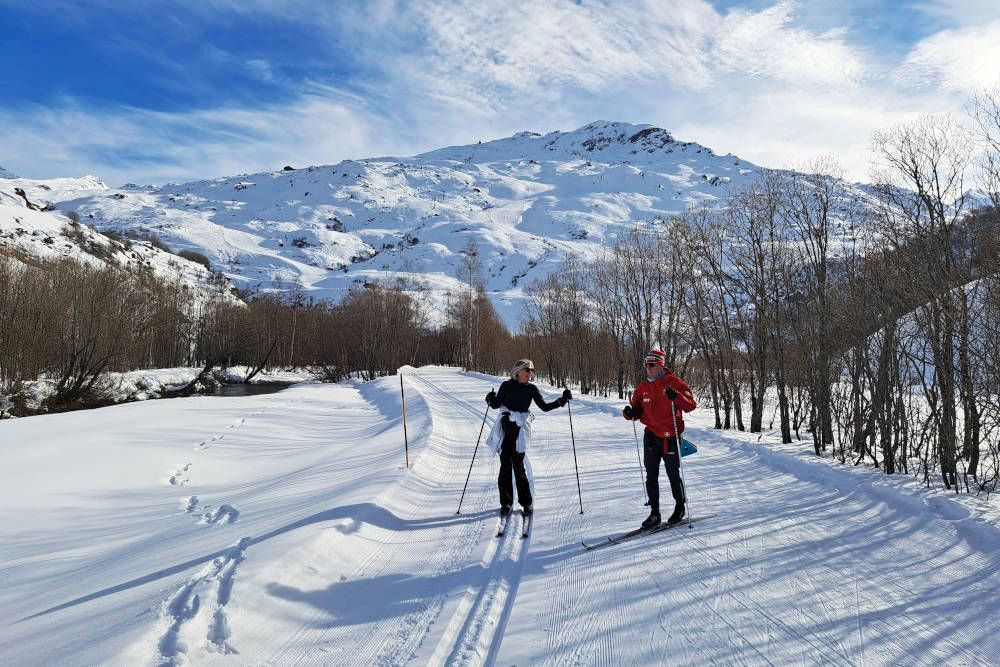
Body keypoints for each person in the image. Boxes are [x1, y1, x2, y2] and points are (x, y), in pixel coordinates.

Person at [485, 359, 571, 517]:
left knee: (518, 467)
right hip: (506, 429)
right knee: (505, 466)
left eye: (532, 371)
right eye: (528, 370)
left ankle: (526, 503)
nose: (531, 374)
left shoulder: (531, 389)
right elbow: (496, 404)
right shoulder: (506, 385)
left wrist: (562, 400)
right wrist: (490, 398)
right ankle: (506, 503)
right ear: (518, 371)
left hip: (520, 431)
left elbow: (544, 407)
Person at [622, 349, 697, 528]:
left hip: (670, 436)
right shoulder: (642, 388)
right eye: (646, 365)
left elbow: (690, 406)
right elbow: (637, 411)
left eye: (651, 365)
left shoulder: (675, 383)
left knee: (672, 474)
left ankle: (679, 507)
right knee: (651, 475)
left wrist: (676, 396)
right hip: (651, 436)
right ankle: (654, 513)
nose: (648, 368)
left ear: (660, 365)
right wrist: (629, 413)